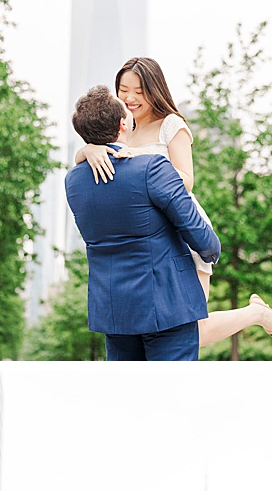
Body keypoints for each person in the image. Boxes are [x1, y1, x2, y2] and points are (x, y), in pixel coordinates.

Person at [72, 57, 272, 351]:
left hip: (181, 226)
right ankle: (255, 313)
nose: (130, 98)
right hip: (142, 236)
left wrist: (144, 165)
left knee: (192, 325)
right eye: (123, 90)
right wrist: (88, 150)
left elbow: (186, 179)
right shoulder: (120, 127)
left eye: (139, 91)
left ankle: (256, 314)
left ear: (154, 90)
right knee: (173, 329)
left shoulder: (171, 125)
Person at [62, 84, 221, 360]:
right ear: (124, 124)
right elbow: (196, 230)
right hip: (167, 303)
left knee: (127, 396)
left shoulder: (74, 181)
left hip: (113, 310)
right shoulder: (152, 168)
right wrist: (211, 251)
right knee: (170, 396)